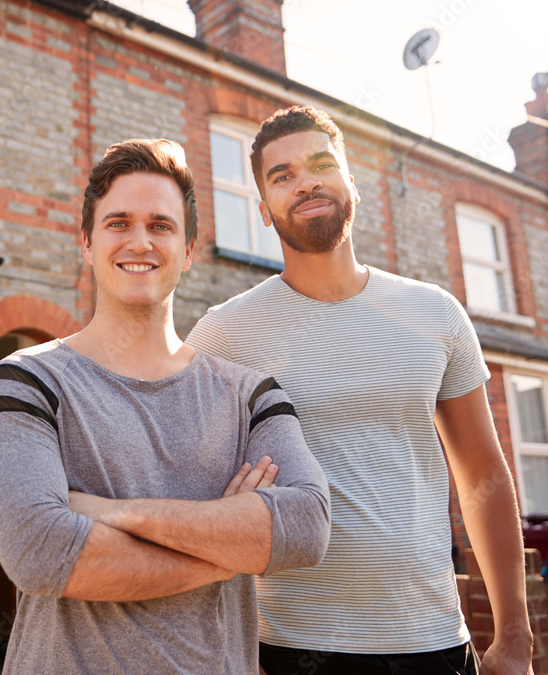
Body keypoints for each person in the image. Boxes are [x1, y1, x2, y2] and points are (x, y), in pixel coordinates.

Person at [186, 106, 534, 674]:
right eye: (283, 176)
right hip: (291, 647)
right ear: (265, 214)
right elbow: (183, 476)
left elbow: (483, 475)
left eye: (323, 164)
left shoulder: (437, 314)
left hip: (434, 642)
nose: (306, 181)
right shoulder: (226, 333)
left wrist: (515, 637)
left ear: (353, 184)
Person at [0, 138, 330, 674]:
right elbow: (41, 553)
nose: (139, 241)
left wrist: (111, 513)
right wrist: (231, 541)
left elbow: (305, 528)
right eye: (118, 223)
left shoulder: (251, 394)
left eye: (161, 225)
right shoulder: (27, 380)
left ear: (187, 251)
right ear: (87, 244)